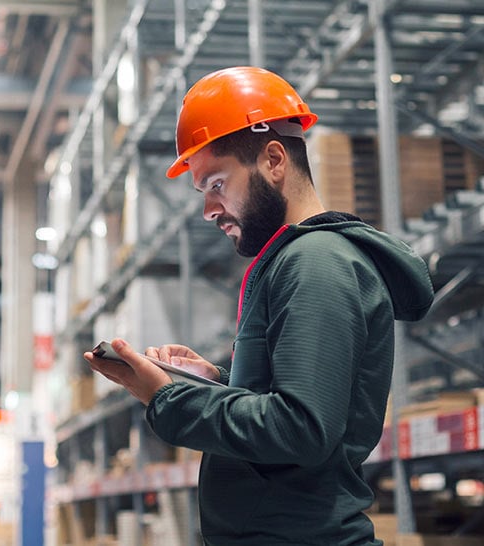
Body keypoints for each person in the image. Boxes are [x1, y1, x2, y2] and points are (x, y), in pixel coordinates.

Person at [84, 66, 434, 545]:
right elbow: (298, 409)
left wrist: (167, 397)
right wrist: (216, 384)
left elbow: (301, 431)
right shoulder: (300, 259)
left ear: (273, 160)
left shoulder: (315, 263)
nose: (209, 209)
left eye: (216, 184)